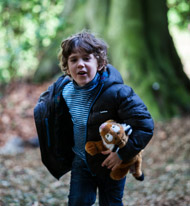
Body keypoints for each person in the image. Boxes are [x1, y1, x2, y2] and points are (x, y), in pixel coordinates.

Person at [34, 30, 154, 206]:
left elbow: (145, 125)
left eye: (86, 58)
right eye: (74, 60)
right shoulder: (64, 93)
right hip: (81, 161)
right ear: (67, 67)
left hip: (111, 163)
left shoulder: (118, 93)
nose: (80, 64)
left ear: (99, 63)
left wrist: (122, 154)